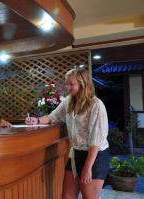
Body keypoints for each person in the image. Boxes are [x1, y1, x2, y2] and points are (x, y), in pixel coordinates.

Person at [26, 68, 109, 199]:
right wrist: (35, 120)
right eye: (67, 83)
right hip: (76, 154)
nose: (67, 87)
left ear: (82, 84)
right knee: (67, 196)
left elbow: (96, 141)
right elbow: (52, 117)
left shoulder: (96, 105)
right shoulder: (69, 101)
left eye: (71, 84)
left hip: (94, 157)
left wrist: (87, 168)